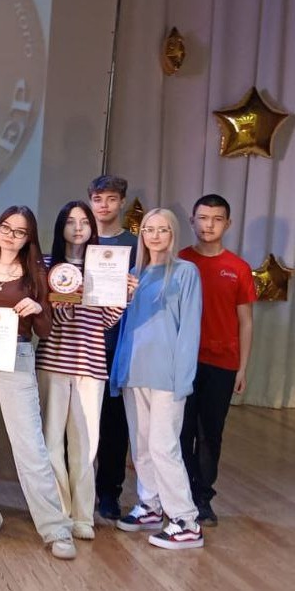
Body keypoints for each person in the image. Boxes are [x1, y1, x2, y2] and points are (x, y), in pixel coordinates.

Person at [0, 206, 77, 560]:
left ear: (29, 238)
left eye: (20, 231)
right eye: (5, 227)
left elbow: (46, 329)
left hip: (17, 359)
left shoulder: (36, 275)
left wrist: (38, 308)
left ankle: (55, 528)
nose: (10, 235)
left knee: (31, 448)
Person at [35, 202, 129, 541]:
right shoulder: (46, 266)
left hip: (91, 364)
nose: (77, 228)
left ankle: (83, 515)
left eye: (84, 222)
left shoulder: (105, 268)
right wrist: (59, 306)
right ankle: (59, 511)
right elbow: (43, 324)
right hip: (53, 362)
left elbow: (105, 321)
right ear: (60, 227)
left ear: (92, 227)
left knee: (87, 443)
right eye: (71, 222)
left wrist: (122, 297)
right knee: (50, 442)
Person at [112, 208, 204, 549]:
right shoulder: (133, 274)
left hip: (166, 376)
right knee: (142, 446)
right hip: (134, 372)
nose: (154, 235)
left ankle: (185, 519)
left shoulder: (185, 272)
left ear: (173, 234)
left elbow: (190, 329)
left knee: (164, 446)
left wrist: (183, 378)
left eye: (162, 229)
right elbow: (123, 328)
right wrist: (119, 372)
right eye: (149, 229)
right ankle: (150, 505)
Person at [178, 194, 255, 527]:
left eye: (216, 219)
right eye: (203, 217)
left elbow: (246, 321)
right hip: (183, 361)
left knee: (210, 432)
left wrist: (243, 367)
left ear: (228, 223)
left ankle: (202, 498)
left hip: (222, 364)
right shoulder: (180, 260)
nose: (208, 225)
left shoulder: (237, 268)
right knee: (180, 431)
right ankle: (179, 496)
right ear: (192, 220)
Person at [88, 174, 138, 520]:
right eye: (98, 198)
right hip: (83, 342)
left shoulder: (136, 244)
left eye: (110, 198)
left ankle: (109, 493)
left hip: (121, 342)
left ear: (122, 202)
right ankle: (78, 490)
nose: (103, 205)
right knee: (78, 421)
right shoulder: (80, 238)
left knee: (114, 422)